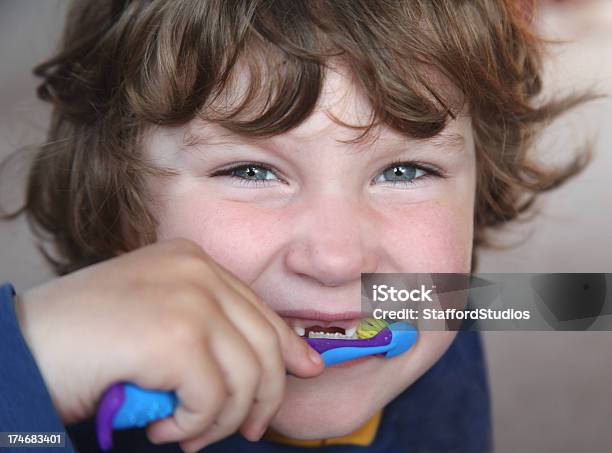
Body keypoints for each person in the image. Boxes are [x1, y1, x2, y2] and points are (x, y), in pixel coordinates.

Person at [0, 1, 591, 451]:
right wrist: (26, 366)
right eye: (252, 170)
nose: (337, 261)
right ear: (118, 199)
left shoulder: (430, 309)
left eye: (406, 169)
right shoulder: (57, 404)